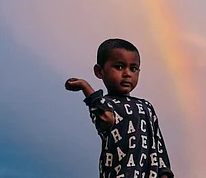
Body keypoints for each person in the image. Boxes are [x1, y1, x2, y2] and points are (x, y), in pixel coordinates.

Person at [65, 38, 174, 178]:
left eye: (133, 68)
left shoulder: (146, 107)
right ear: (99, 71)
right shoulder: (104, 104)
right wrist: (85, 87)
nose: (127, 73)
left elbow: (158, 145)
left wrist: (164, 173)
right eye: (119, 67)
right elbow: (105, 118)